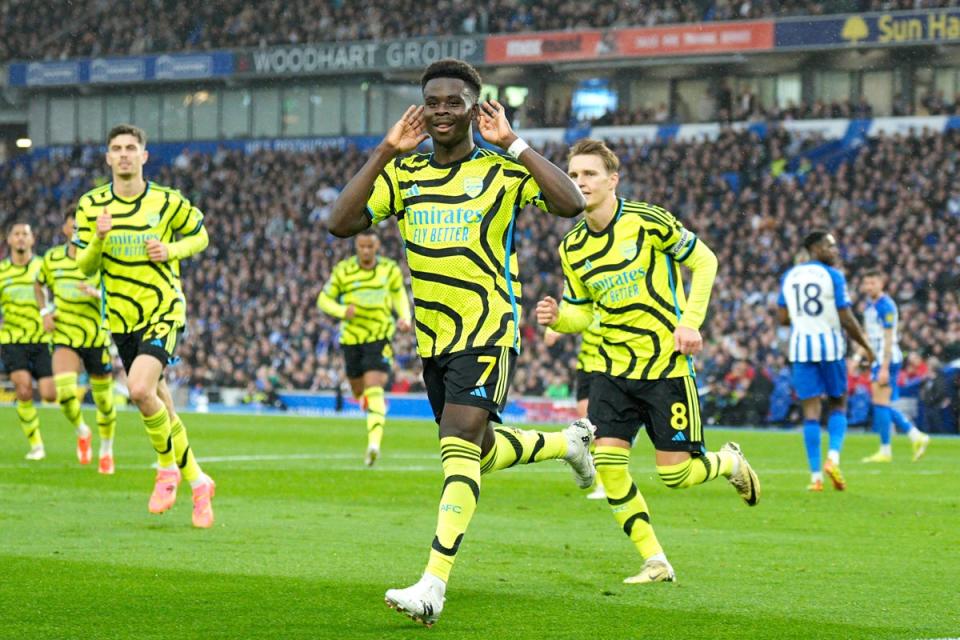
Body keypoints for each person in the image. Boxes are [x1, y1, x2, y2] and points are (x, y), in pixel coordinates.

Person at [328, 58, 592, 627]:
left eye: (454, 101)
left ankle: (433, 583)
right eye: (433, 102)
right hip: (435, 340)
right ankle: (566, 444)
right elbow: (340, 223)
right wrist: (384, 152)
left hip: (489, 330)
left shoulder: (502, 170)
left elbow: (572, 204)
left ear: (476, 106)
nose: (442, 111)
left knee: (457, 442)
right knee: (478, 449)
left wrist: (516, 143)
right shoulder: (404, 177)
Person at [536, 138, 760, 585]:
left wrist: (691, 322)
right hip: (612, 370)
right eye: (574, 175)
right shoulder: (572, 247)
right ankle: (655, 559)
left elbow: (706, 260)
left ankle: (731, 463)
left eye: (590, 174)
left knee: (675, 474)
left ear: (612, 180)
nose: (580, 182)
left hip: (666, 368)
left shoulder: (647, 220)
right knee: (609, 465)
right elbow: (584, 310)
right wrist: (561, 318)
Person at [74, 124, 216, 528]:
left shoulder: (167, 201)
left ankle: (167, 468)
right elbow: (83, 264)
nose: (123, 154)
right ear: (107, 157)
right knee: (163, 408)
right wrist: (99, 240)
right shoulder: (92, 205)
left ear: (144, 156)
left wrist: (170, 249)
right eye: (116, 148)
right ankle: (199, 481)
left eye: (130, 148)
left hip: (163, 310)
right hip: (120, 318)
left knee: (138, 389)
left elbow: (201, 236)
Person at [777, 230, 875, 492]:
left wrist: (803, 317)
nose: (835, 251)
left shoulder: (789, 275)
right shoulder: (833, 276)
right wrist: (865, 345)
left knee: (810, 412)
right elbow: (846, 317)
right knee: (838, 402)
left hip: (800, 349)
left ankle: (815, 477)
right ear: (816, 247)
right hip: (830, 348)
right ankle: (833, 457)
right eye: (830, 247)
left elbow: (783, 318)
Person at [317, 228, 412, 466]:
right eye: (362, 247)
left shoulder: (388, 269)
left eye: (370, 246)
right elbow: (323, 299)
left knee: (373, 385)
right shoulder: (343, 270)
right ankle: (375, 410)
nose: (367, 251)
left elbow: (399, 294)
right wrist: (341, 311)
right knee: (359, 391)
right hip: (351, 339)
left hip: (379, 336)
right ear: (357, 247)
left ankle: (374, 444)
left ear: (377, 247)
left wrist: (405, 317)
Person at [34, 211, 119, 473]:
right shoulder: (53, 258)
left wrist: (98, 293)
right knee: (65, 393)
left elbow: (118, 291)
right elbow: (38, 285)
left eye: (84, 228)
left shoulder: (102, 257)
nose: (79, 233)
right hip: (65, 334)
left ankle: (106, 449)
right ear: (65, 230)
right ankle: (83, 430)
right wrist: (45, 312)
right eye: (75, 228)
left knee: (104, 402)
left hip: (95, 337)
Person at [858, 270, 930, 462]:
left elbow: (889, 338)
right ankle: (914, 436)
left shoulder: (886, 306)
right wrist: (859, 356)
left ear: (881, 283)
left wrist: (883, 366)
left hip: (886, 359)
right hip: (877, 359)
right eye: (866, 283)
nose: (869, 287)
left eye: (873, 282)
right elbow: (868, 335)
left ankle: (887, 449)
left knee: (880, 404)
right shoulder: (868, 305)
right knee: (882, 404)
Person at [0, 221, 56, 460]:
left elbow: (58, 292)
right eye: (17, 234)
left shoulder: (44, 266)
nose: (21, 238)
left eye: (26, 234)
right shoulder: (2, 272)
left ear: (32, 240)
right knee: (22, 388)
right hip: (13, 338)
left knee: (49, 394)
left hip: (42, 338)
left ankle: (81, 429)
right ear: (9, 240)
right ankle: (36, 445)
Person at [544, 314, 610, 500]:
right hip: (585, 368)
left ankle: (604, 484)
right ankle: (600, 480)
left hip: (607, 368)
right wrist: (553, 328)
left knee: (598, 428)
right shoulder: (587, 301)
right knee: (589, 427)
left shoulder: (613, 302)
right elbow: (571, 311)